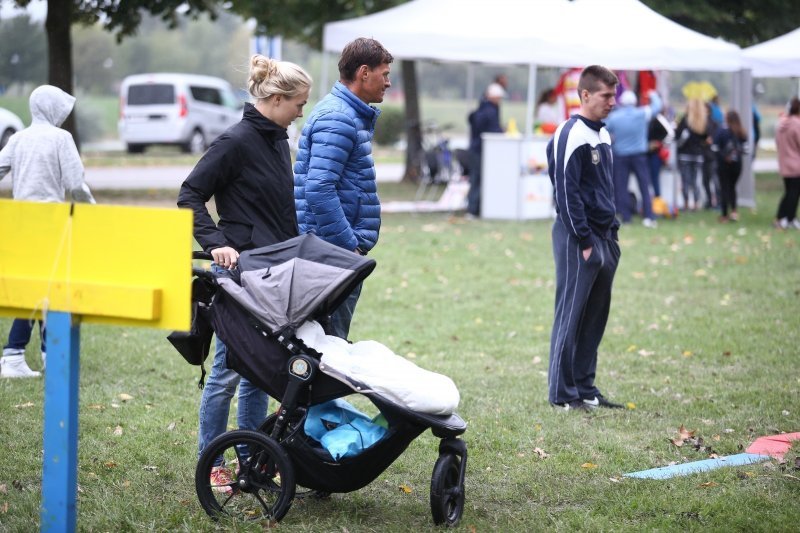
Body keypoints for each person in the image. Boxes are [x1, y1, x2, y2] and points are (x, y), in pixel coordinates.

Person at [177, 54, 312, 491]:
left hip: (274, 272)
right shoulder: (234, 142)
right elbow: (190, 194)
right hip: (241, 275)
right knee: (227, 372)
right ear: (275, 98)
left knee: (258, 370)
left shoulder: (277, 141)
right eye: (298, 104)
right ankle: (209, 460)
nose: (301, 112)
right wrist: (217, 244)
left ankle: (251, 461)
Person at [294, 37, 393, 340]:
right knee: (327, 357)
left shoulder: (347, 114)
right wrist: (348, 247)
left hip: (332, 253)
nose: (388, 82)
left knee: (324, 353)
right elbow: (319, 188)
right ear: (364, 73)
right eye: (385, 74)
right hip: (331, 256)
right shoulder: (338, 117)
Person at [0, 85, 95, 379]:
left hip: (22, 222)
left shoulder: (18, 139)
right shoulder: (60, 138)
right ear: (53, 108)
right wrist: (91, 209)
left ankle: (47, 352)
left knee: (43, 286)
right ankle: (14, 354)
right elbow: (76, 182)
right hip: (51, 223)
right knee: (47, 288)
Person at [545, 65, 624, 412]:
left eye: (614, 95)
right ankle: (562, 394)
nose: (612, 102)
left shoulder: (603, 134)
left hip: (605, 237)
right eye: (606, 96)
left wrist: (611, 235)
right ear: (585, 94)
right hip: (579, 239)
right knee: (571, 314)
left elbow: (603, 189)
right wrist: (585, 239)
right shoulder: (570, 133)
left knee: (595, 315)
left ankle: (585, 387)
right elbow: (566, 193)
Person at [605, 89, 662, 227]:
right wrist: (652, 94)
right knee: (644, 185)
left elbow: (603, 129)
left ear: (622, 103)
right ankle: (648, 216)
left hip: (620, 156)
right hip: (639, 156)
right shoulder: (641, 113)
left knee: (621, 187)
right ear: (635, 102)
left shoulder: (614, 117)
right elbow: (657, 106)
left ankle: (626, 218)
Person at [465, 82, 505, 218]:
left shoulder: (480, 109)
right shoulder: (491, 111)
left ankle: (472, 208)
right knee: (478, 179)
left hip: (474, 148)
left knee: (475, 179)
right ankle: (473, 209)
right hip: (481, 150)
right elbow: (494, 130)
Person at [675, 98, 711, 212]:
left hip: (685, 154)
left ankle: (686, 203)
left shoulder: (685, 121)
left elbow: (677, 137)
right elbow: (706, 139)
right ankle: (696, 203)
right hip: (698, 155)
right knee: (696, 180)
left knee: (685, 180)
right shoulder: (703, 122)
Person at [713, 110, 747, 222]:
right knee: (732, 187)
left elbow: (715, 147)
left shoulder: (722, 131)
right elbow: (745, 149)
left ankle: (724, 214)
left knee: (724, 188)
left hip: (723, 164)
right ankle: (734, 212)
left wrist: (724, 156)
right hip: (737, 164)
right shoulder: (741, 131)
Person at [774, 97, 800, 230]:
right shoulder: (797, 124)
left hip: (784, 163)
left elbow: (777, 143)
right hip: (796, 164)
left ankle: (786, 217)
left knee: (789, 191)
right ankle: (787, 218)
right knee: (793, 193)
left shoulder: (781, 125)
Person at [646, 109, 674, 199]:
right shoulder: (648, 119)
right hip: (647, 153)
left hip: (655, 153)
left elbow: (670, 134)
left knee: (654, 177)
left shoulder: (659, 119)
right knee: (648, 178)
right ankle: (649, 200)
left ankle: (657, 199)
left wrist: (659, 143)